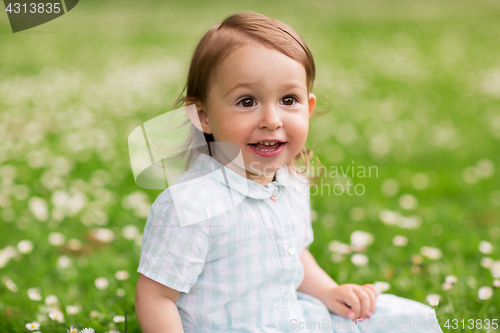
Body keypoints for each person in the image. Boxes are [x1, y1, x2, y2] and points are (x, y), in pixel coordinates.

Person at [135, 11, 443, 333]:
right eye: (246, 101)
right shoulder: (192, 205)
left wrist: (327, 291)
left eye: (288, 99)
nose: (272, 119)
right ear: (204, 116)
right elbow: (155, 296)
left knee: (402, 320)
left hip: (291, 319)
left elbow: (293, 253)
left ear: (308, 109)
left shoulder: (290, 181)